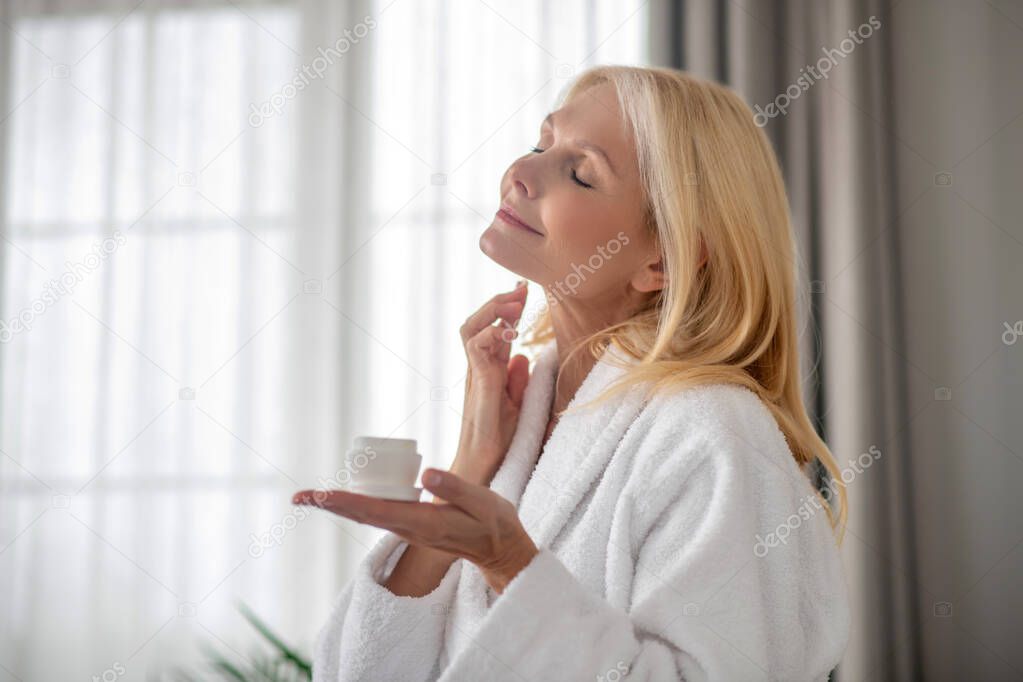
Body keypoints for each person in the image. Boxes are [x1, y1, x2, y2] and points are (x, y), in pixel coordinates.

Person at [294, 65, 850, 681]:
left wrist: (511, 565)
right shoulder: (526, 414)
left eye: (580, 173)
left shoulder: (714, 435)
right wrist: (471, 461)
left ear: (663, 262)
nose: (520, 173)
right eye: (540, 143)